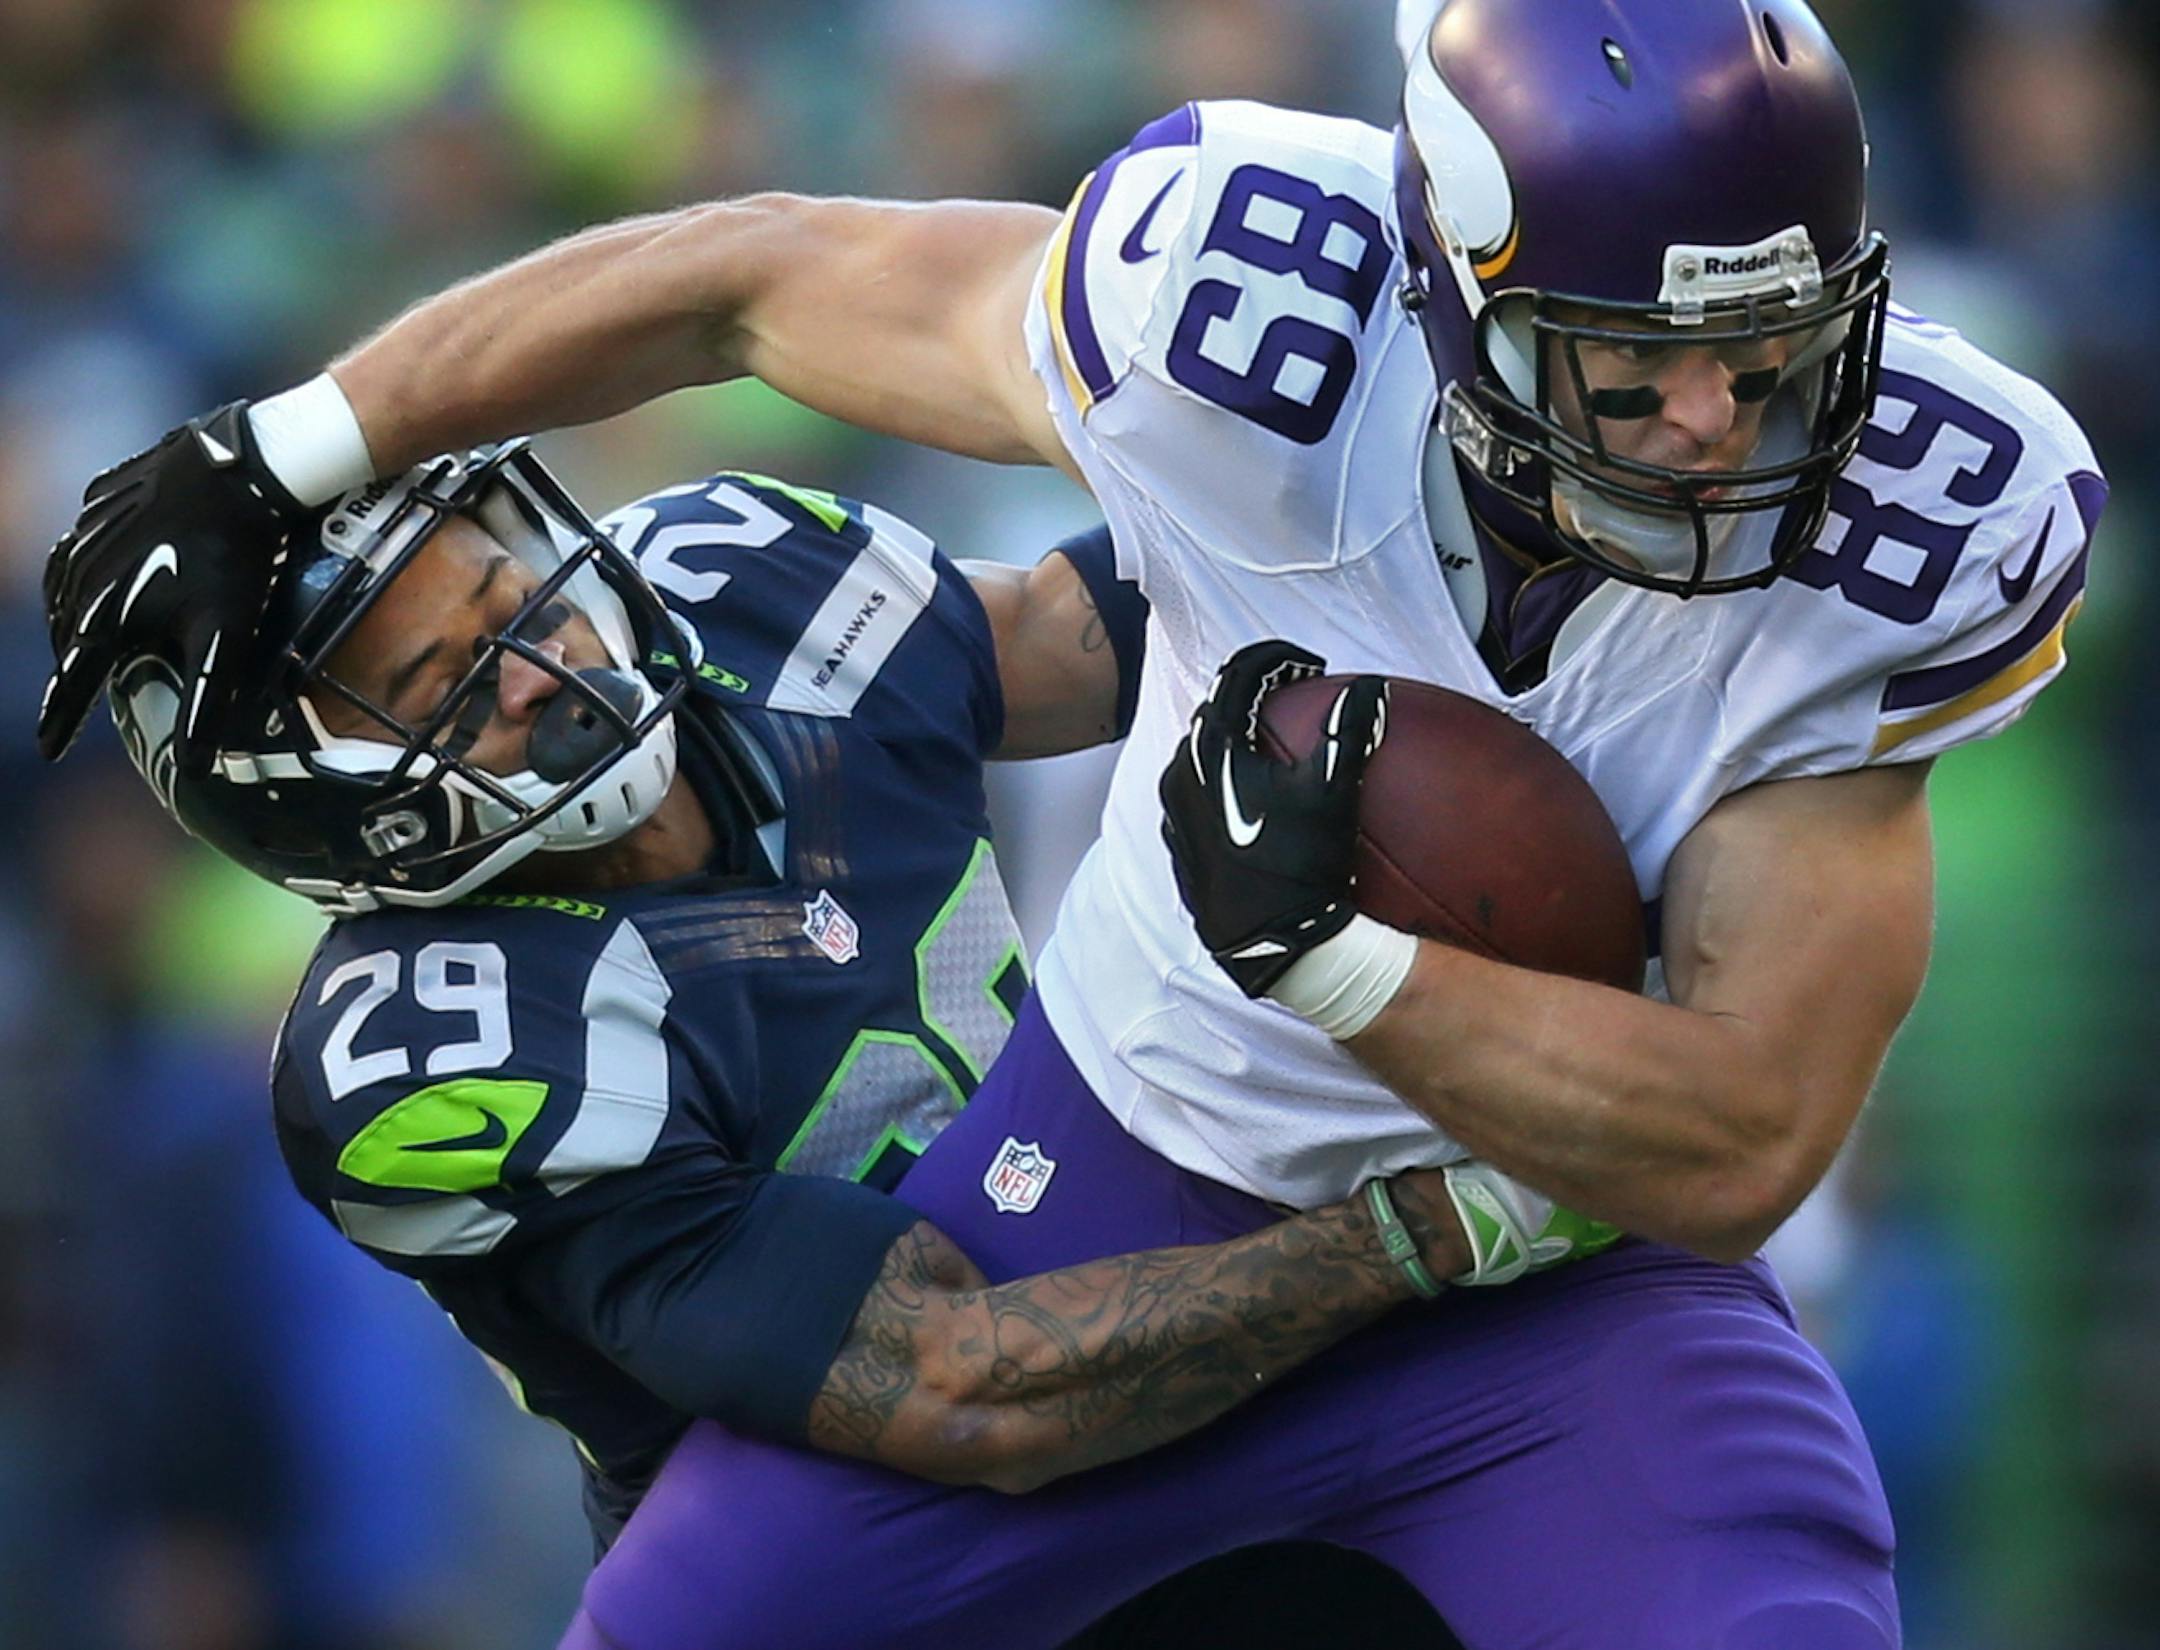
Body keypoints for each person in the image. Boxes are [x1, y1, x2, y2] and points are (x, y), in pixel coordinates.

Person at [36, 1, 2104, 1644]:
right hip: (1080, 1219)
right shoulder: (435, 1047)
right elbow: (970, 1389)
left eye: (1768, 352)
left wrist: (1347, 943)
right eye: (1631, 366)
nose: (1713, 432)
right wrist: (295, 436)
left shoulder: (1925, 518)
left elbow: (1743, 1134)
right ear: (1450, 295)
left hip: (1544, 1277)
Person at [53, 425, 1561, 1578]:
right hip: (870, 1559)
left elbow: (1072, 633)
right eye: (451, 685)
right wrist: (1434, 1226)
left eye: (514, 595)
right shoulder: (434, 1049)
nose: (539, 665)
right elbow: (970, 1388)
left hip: (1165, 1322)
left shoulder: (737, 582)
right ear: (323, 810)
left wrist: (1412, 495)